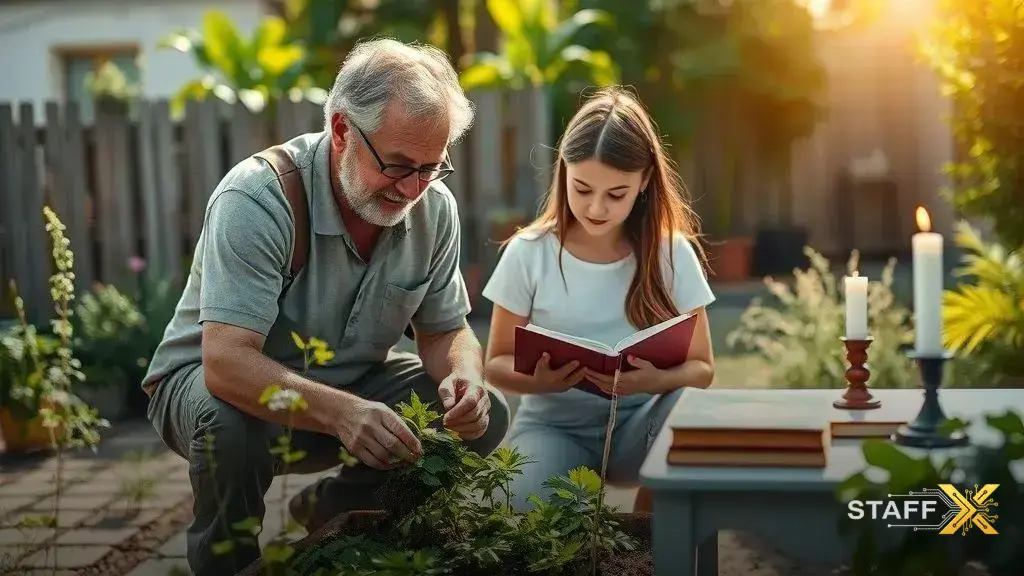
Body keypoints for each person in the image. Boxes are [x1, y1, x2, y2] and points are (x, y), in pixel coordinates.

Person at [142, 38, 510, 576]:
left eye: (431, 167)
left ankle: (335, 517)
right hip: (218, 392)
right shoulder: (257, 198)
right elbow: (225, 363)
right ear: (341, 130)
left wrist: (465, 375)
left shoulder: (434, 207)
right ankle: (228, 562)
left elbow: (443, 329)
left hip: (349, 392)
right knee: (227, 426)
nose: (413, 188)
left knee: (487, 417)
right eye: (398, 165)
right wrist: (343, 413)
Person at [481, 87, 715, 510]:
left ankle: (650, 529)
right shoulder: (528, 252)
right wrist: (539, 382)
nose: (596, 208)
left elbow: (701, 370)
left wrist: (649, 382)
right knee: (532, 517)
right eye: (583, 188)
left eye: (616, 194)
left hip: (638, 430)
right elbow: (495, 364)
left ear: (644, 183)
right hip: (553, 429)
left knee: (690, 408)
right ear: (563, 171)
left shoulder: (672, 253)